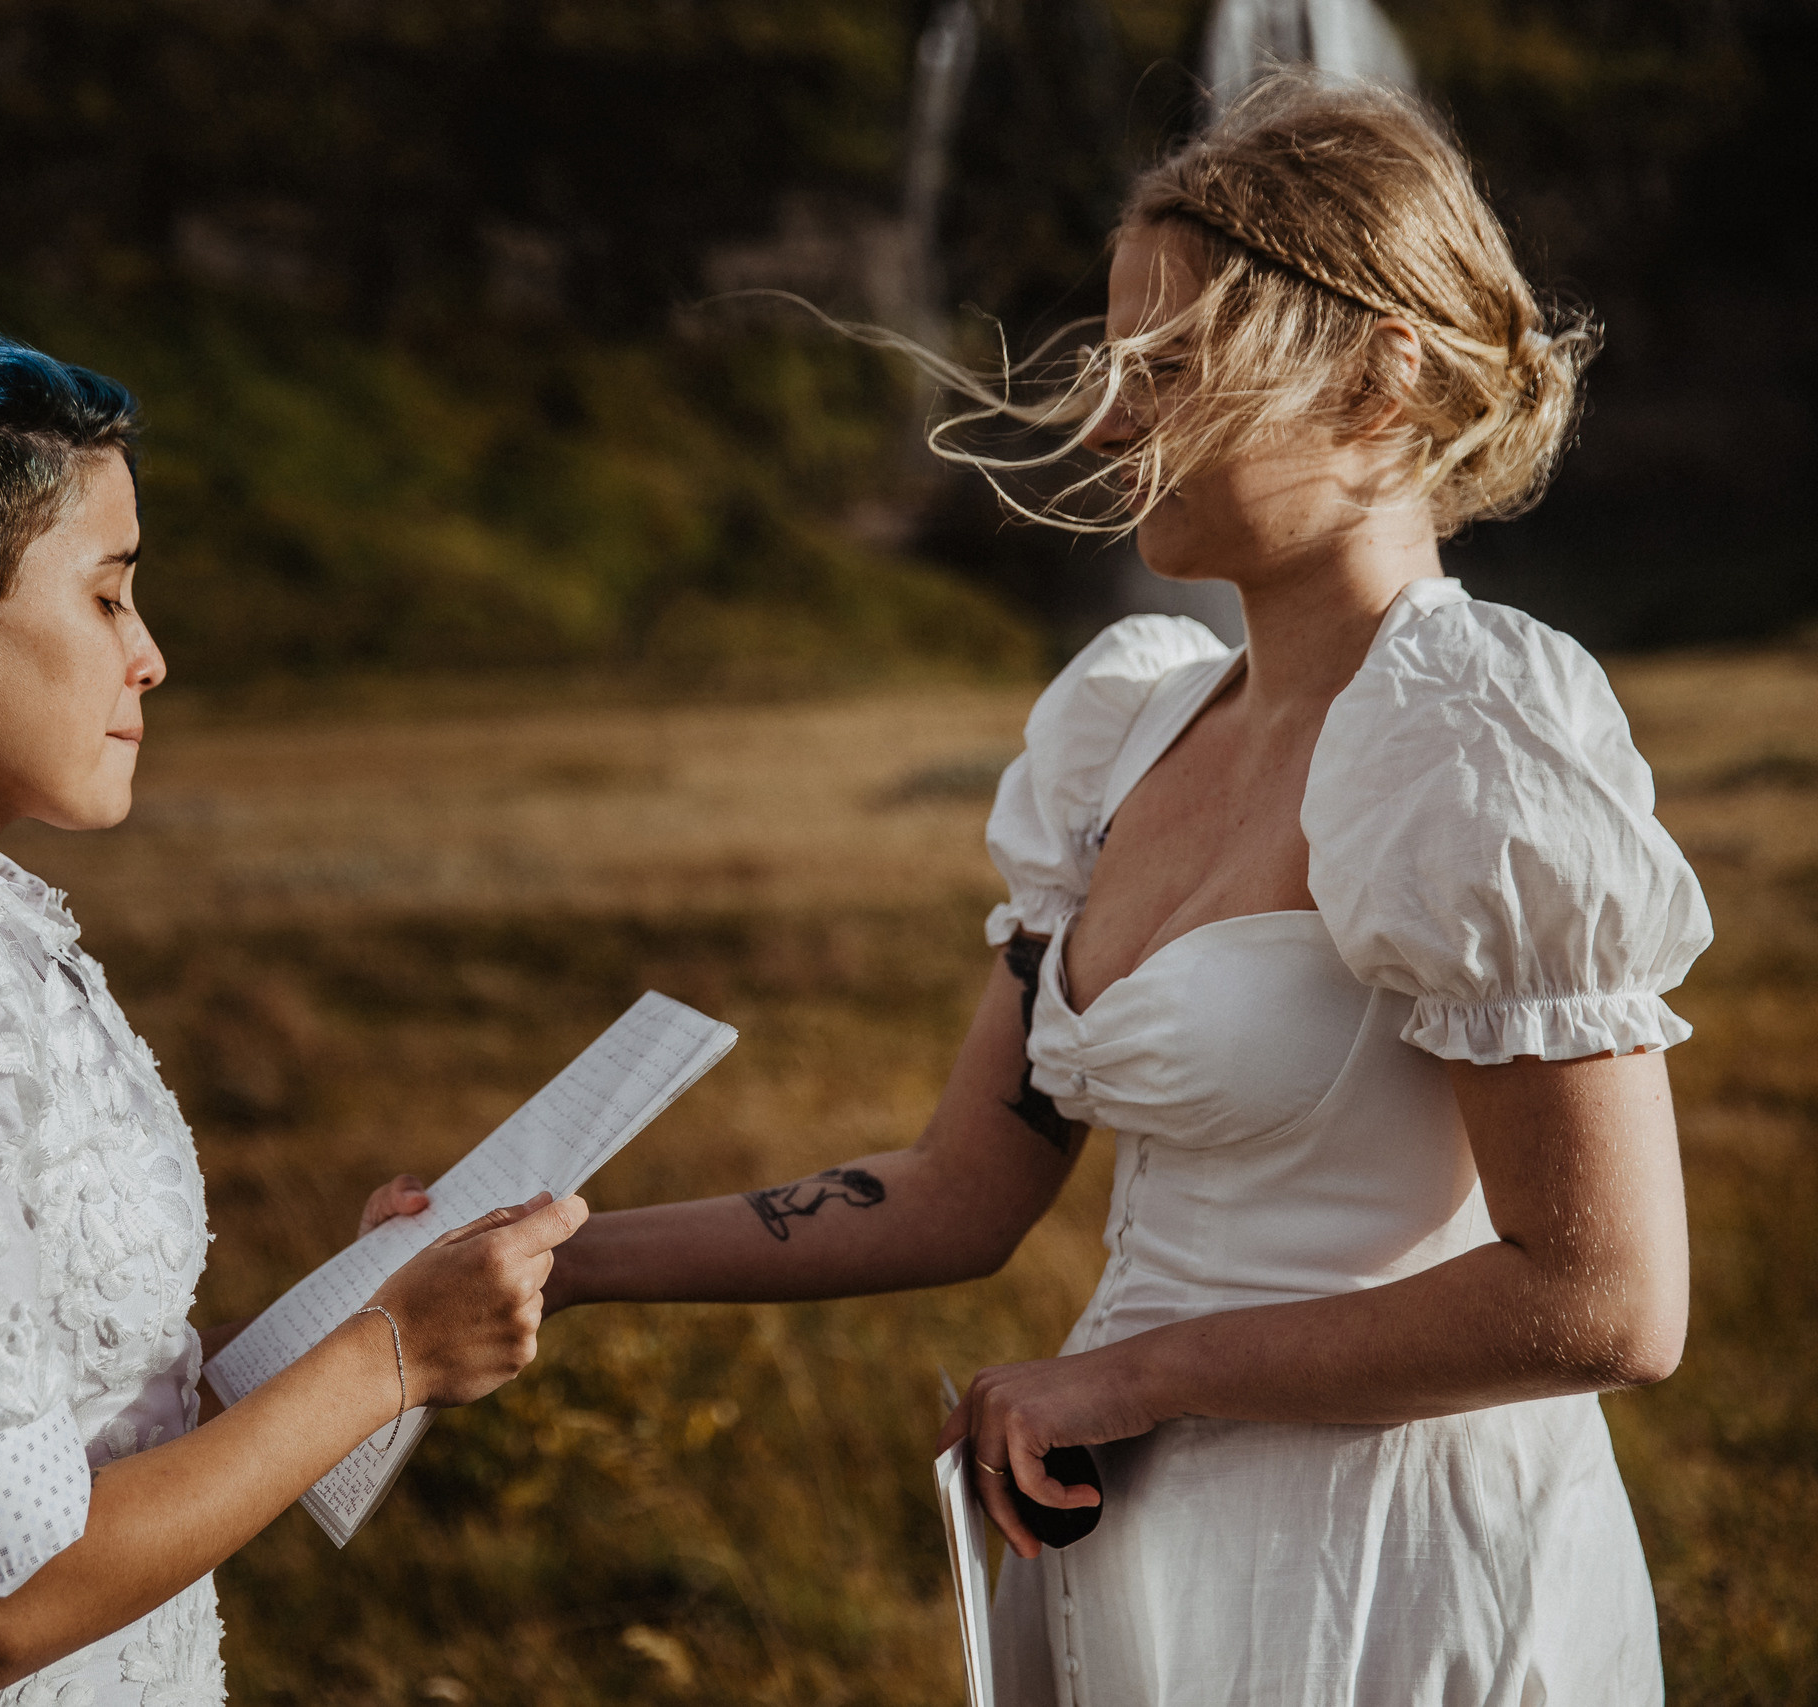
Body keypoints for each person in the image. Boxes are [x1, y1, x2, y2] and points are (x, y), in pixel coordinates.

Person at [367, 76, 1713, 1703]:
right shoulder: (1127, 728)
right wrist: (552, 1254)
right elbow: (958, 1192)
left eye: (1174, 365)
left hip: (1390, 1567)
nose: (1110, 418)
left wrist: (1139, 1376)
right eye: (1113, 363)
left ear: (1380, 375)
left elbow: (1606, 1301)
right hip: (1131, 1533)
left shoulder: (1471, 747)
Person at [0, 303, 584, 1706]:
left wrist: (346, 1320)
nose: (148, 656)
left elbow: (58, 1419)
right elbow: (0, 1604)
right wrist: (391, 1357)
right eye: (107, 594)